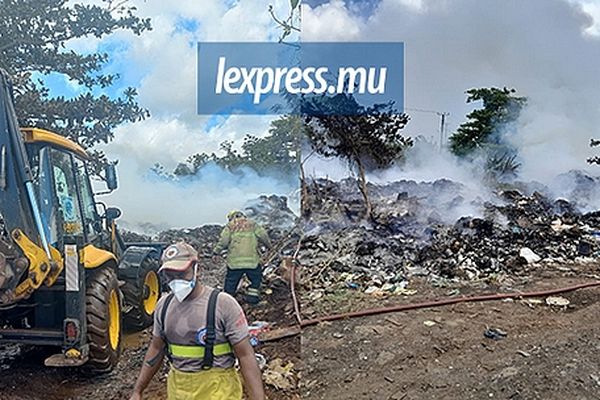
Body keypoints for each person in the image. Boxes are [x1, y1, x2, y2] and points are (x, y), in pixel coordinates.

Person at [129, 241, 265, 400]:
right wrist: (138, 390)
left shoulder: (222, 304)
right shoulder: (163, 306)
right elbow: (156, 348)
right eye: (169, 275)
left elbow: (245, 355)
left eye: (181, 274)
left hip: (218, 391)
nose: (175, 281)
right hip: (179, 391)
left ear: (195, 268)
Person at [213, 210, 272, 304]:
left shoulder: (230, 226)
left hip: (234, 263)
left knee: (231, 282)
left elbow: (224, 241)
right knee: (256, 280)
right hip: (252, 262)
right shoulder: (252, 224)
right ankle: (252, 300)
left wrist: (216, 252)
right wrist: (269, 246)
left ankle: (227, 303)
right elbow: (263, 235)